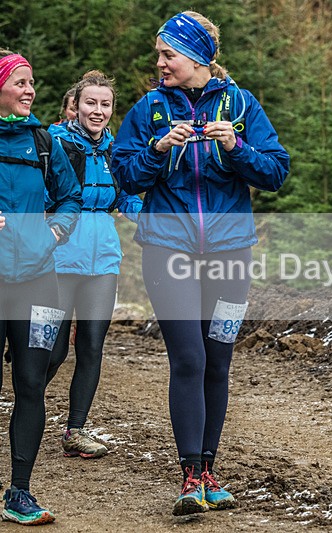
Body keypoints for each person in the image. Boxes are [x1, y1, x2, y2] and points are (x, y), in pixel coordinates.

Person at [111, 11, 290, 516]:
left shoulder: (241, 104)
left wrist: (235, 147)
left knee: (218, 360)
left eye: (169, 55)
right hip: (168, 249)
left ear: (196, 58)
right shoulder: (149, 109)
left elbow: (276, 170)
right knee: (188, 358)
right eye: (160, 55)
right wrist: (158, 151)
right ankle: (189, 475)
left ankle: (210, 470)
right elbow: (124, 175)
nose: (160, 63)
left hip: (232, 252)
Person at [0, 50, 82, 525]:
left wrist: (56, 232)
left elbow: (70, 196)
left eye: (33, 83)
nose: (30, 90)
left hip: (38, 279)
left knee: (33, 382)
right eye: (21, 82)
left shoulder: (44, 141)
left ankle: (19, 493)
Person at [46, 70, 143, 459]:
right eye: (91, 103)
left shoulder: (116, 151)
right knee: (51, 352)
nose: (98, 110)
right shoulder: (54, 143)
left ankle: (76, 431)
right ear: (76, 105)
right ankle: (27, 409)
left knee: (91, 347)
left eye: (105, 104)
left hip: (103, 261)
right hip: (57, 258)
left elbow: (129, 199)